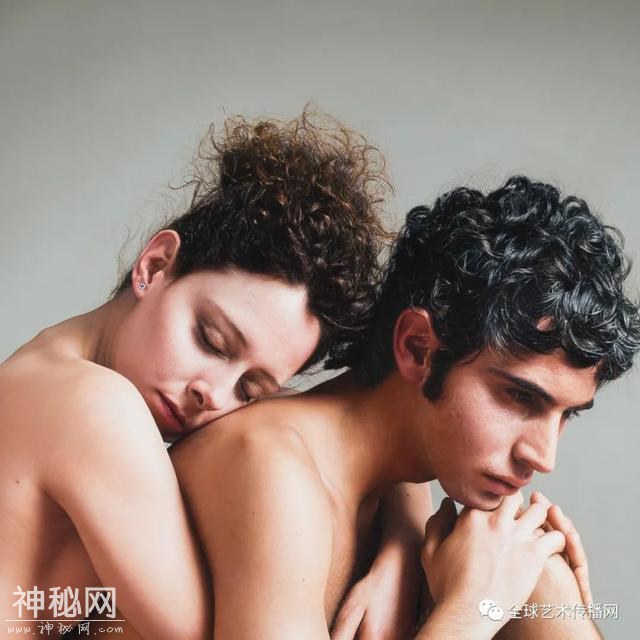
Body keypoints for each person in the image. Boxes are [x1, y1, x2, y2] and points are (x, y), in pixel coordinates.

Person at [1, 111, 429, 640]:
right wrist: (465, 607)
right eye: (211, 340)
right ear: (155, 265)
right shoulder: (94, 406)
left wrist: (402, 541)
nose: (213, 394)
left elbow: (358, 425)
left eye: (250, 389)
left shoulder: (45, 367)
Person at [169, 176, 640, 639]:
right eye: (520, 397)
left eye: (567, 414)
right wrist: (470, 611)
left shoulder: (394, 487)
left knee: (535, 568)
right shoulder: (269, 466)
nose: (542, 457)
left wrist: (549, 587)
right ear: (418, 348)